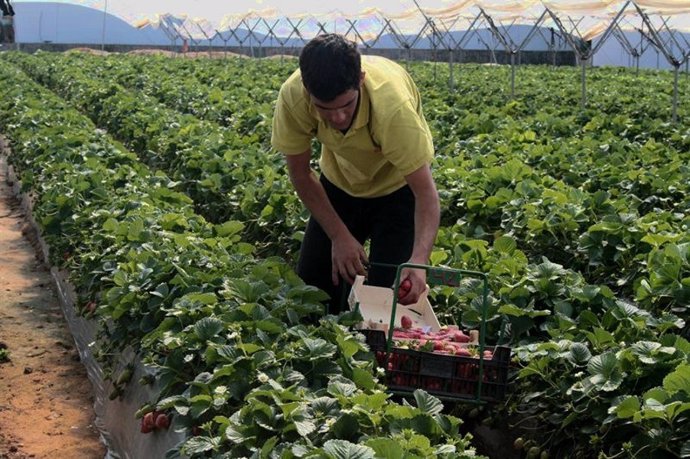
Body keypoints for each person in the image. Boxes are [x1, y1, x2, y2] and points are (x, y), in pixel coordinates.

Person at [271, 33, 440, 313]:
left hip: (398, 190)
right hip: (339, 185)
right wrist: (339, 235)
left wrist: (418, 261)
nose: (337, 118)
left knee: (389, 300)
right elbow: (300, 174)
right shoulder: (293, 97)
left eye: (346, 105)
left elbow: (425, 193)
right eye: (325, 108)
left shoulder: (394, 110)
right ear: (306, 89)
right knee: (313, 292)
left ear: (360, 80)